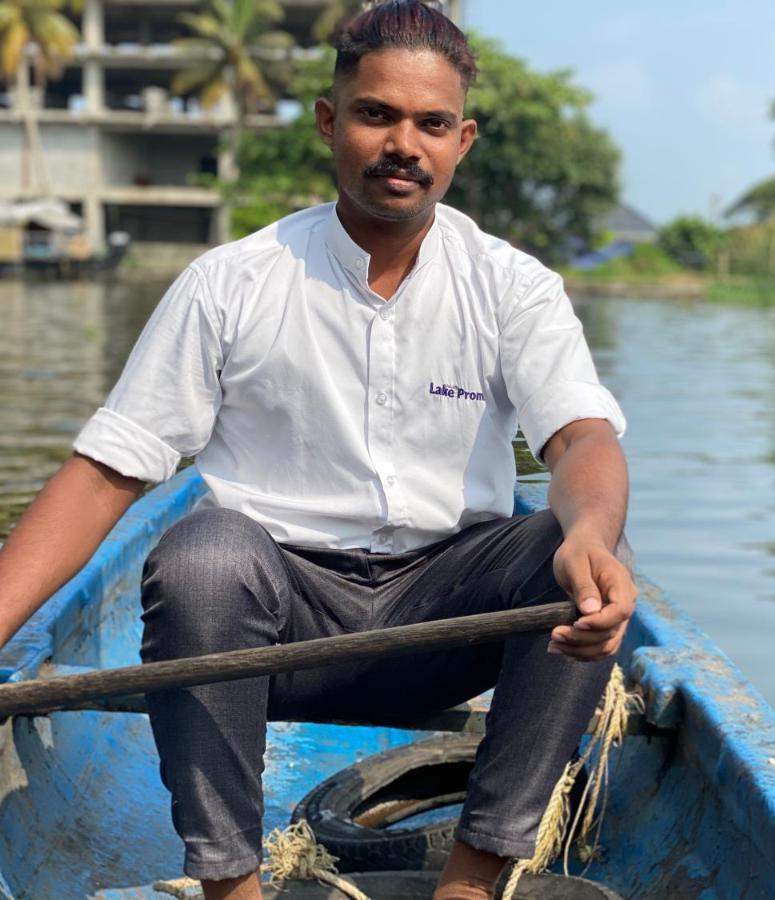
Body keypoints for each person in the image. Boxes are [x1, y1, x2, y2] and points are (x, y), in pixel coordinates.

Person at [0, 3, 636, 899]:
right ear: (331, 122)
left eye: (432, 124)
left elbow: (580, 439)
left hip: (447, 618)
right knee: (203, 556)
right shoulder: (232, 283)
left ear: (463, 141)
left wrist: (589, 533)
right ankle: (230, 882)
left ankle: (471, 879)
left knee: (577, 557)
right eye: (377, 114)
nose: (403, 143)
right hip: (271, 629)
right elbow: (109, 471)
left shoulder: (513, 288)